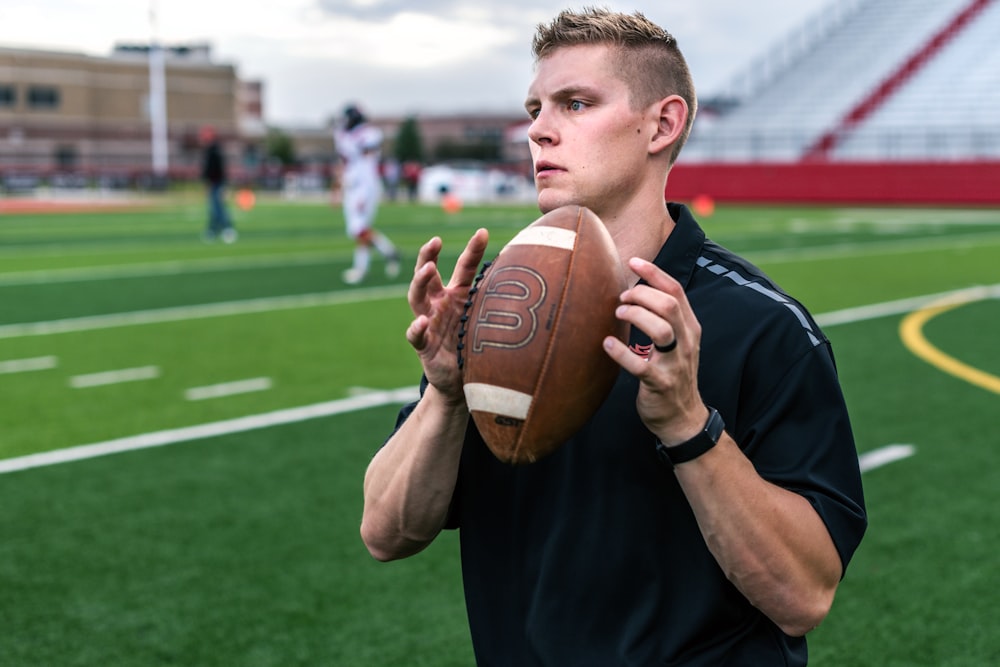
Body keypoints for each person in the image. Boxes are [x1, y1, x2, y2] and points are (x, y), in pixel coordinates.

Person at [361, 8, 867, 666]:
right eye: (535, 107)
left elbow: (805, 595)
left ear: (663, 123)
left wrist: (688, 424)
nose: (539, 130)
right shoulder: (495, 306)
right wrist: (447, 394)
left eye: (575, 103)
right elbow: (384, 531)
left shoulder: (763, 325)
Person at [333, 103, 401, 284]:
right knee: (357, 230)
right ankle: (389, 252)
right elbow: (344, 163)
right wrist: (337, 189)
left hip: (365, 186)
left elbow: (366, 160)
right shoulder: (343, 136)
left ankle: (362, 268)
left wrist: (363, 194)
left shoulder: (368, 134)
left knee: (360, 229)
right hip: (352, 186)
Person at [200, 125, 237, 243]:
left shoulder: (215, 150)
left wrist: (222, 186)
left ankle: (227, 229)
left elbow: (218, 169)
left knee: (218, 209)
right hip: (213, 183)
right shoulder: (210, 150)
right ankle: (212, 230)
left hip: (217, 183)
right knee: (214, 209)